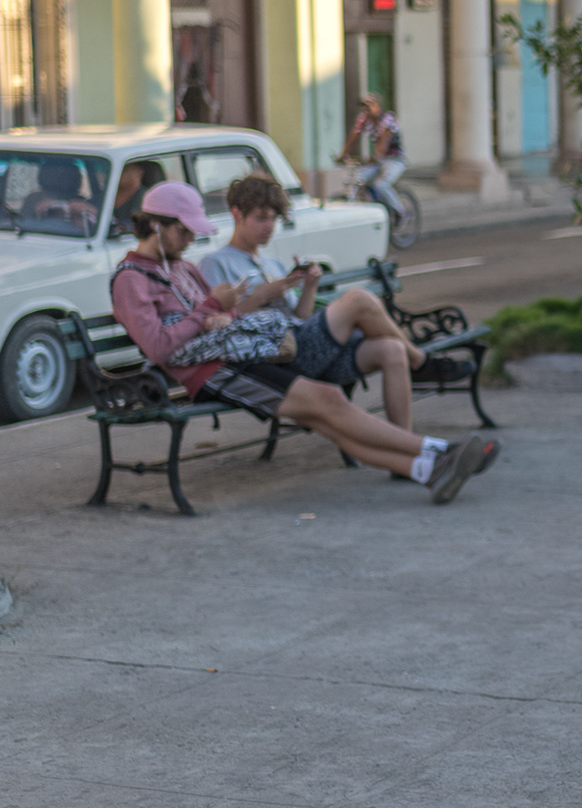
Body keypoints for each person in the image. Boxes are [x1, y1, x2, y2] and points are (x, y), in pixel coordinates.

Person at [109, 182, 495, 502]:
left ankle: (428, 469)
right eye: (184, 231)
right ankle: (440, 451)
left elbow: (219, 320)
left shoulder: (182, 266)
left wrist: (224, 313)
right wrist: (211, 308)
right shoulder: (131, 279)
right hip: (213, 373)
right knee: (329, 403)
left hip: (238, 356)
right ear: (156, 226)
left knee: (327, 412)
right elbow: (158, 347)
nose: (191, 238)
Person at [198, 174, 474, 437]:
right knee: (358, 299)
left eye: (273, 218)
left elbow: (301, 317)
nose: (268, 226)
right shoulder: (216, 263)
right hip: (273, 361)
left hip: (301, 347)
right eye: (260, 218)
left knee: (392, 350)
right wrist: (259, 297)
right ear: (237, 214)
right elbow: (213, 326)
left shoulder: (272, 263)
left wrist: (310, 286)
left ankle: (406, 446)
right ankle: (422, 363)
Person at [337, 93, 407, 208]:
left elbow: (383, 144)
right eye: (364, 108)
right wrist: (343, 155)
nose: (366, 111)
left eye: (369, 107)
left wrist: (373, 158)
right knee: (358, 179)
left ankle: (400, 211)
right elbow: (353, 138)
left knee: (381, 185)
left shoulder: (388, 119)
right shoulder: (364, 119)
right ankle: (373, 203)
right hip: (378, 161)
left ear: (377, 107)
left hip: (394, 160)